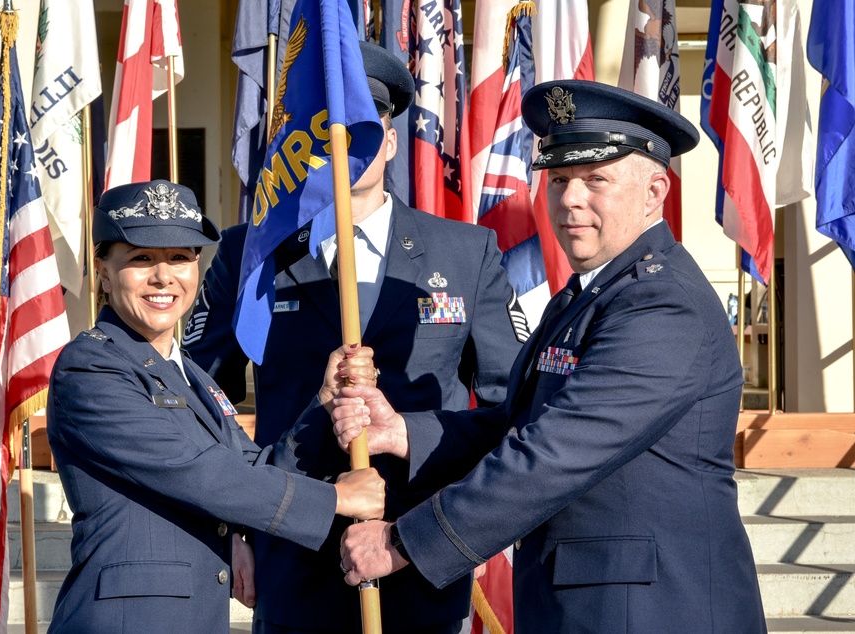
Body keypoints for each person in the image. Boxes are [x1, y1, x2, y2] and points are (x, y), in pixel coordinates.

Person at [332, 80, 767, 633]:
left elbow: (554, 451)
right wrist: (405, 434)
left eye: (596, 180)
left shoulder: (662, 304)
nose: (570, 200)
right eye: (559, 180)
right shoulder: (591, 294)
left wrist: (406, 541)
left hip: (648, 612)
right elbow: (524, 424)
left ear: (656, 191)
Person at [183, 43, 523, 634]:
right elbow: (198, 401)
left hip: (416, 549)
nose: (343, 145)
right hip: (290, 551)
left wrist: (458, 527)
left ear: (390, 140)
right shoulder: (250, 253)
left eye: (364, 128)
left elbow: (509, 409)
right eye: (325, 129)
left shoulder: (465, 254)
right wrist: (232, 526)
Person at [45, 180, 386, 634]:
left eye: (180, 258)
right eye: (141, 258)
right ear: (103, 271)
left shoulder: (190, 375)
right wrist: (339, 499)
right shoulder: (91, 368)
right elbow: (205, 475)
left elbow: (256, 464)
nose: (163, 276)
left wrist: (323, 404)